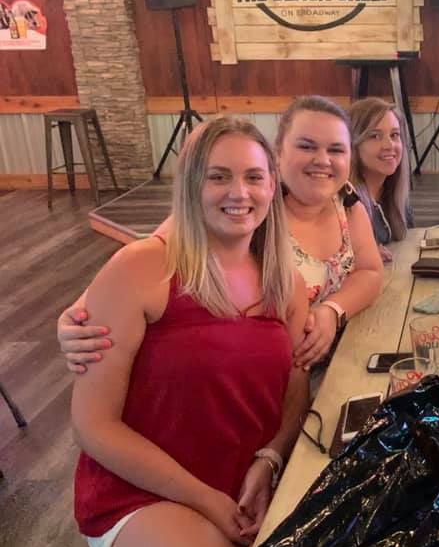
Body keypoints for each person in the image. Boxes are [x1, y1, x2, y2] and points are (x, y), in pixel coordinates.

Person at [71, 117, 309, 547]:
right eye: (218, 176)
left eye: (253, 176)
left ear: (273, 186)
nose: (239, 193)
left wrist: (270, 458)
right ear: (190, 185)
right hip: (144, 497)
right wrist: (206, 500)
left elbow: (294, 381)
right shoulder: (143, 269)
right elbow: (94, 425)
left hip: (247, 488)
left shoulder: (284, 281)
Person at [57, 96, 385, 373]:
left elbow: (369, 271)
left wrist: (332, 311)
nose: (322, 160)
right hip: (253, 375)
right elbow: (149, 253)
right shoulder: (246, 207)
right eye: (307, 146)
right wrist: (76, 317)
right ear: (278, 153)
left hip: (325, 365)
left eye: (336, 149)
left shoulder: (346, 200)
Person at [347, 97, 413, 264]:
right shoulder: (344, 198)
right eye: (375, 136)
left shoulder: (395, 192)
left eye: (394, 135)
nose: (389, 145)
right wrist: (359, 254)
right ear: (353, 144)